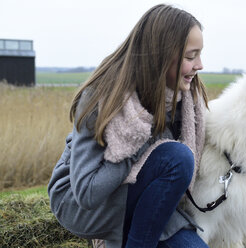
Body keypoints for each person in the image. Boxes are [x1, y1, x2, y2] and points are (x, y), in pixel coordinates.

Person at [48, 4, 209, 248]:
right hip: (84, 204)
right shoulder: (103, 97)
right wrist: (139, 137)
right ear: (162, 56)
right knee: (177, 157)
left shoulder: (183, 100)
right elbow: (87, 192)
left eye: (199, 55)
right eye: (190, 56)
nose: (200, 65)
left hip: (142, 197)